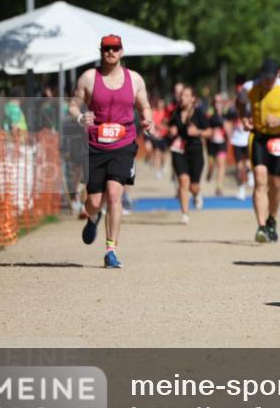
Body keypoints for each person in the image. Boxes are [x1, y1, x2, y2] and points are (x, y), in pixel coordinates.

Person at [68, 34, 154, 269]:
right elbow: (73, 104)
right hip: (95, 145)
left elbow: (144, 105)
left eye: (115, 48)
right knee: (94, 202)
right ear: (101, 51)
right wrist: (79, 117)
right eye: (107, 48)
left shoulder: (134, 79)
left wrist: (148, 121)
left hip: (124, 144)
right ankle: (93, 217)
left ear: (122, 52)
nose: (111, 52)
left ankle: (110, 250)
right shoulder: (89, 78)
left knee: (115, 195)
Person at [243, 58, 280, 243]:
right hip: (258, 136)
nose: (267, 82)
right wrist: (244, 119)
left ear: (279, 74)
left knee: (276, 182)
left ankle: (272, 219)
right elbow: (239, 103)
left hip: (279, 137)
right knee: (260, 178)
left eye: (270, 78)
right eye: (264, 78)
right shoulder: (249, 87)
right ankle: (261, 227)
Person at [168, 85, 211, 224]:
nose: (182, 97)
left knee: (193, 186)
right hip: (179, 151)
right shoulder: (175, 113)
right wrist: (172, 130)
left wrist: (198, 132)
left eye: (186, 95)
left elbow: (209, 132)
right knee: (183, 181)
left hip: (196, 152)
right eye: (182, 95)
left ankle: (197, 194)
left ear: (193, 99)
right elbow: (169, 127)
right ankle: (185, 214)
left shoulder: (199, 113)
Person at [229, 74, 253, 200]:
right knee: (239, 166)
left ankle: (249, 177)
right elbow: (229, 116)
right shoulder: (235, 103)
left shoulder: (250, 100)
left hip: (248, 137)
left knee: (248, 165)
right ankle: (241, 188)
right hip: (237, 139)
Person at [205, 93, 229, 196]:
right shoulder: (210, 114)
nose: (217, 104)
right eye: (215, 102)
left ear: (222, 103)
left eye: (219, 101)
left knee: (221, 165)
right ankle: (209, 173)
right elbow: (205, 129)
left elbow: (229, 129)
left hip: (222, 143)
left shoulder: (226, 114)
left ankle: (219, 187)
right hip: (211, 144)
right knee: (211, 165)